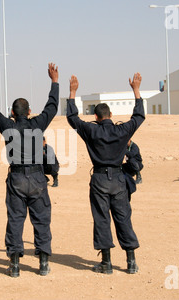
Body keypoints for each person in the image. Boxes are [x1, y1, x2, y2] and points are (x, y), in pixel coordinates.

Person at [0, 63, 59, 277]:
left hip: (16, 177)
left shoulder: (8, 126)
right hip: (36, 178)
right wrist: (54, 82)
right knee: (41, 220)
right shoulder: (37, 125)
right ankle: (43, 264)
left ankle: (15, 265)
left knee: (15, 220)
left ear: (13, 113)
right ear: (28, 111)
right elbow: (52, 107)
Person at [66, 73, 144, 275]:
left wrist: (73, 92)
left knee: (101, 219)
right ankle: (131, 262)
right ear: (110, 116)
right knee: (123, 217)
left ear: (96, 117)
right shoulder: (122, 131)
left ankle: (107, 263)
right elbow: (139, 117)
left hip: (99, 179)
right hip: (119, 180)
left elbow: (72, 118)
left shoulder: (91, 131)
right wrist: (135, 90)